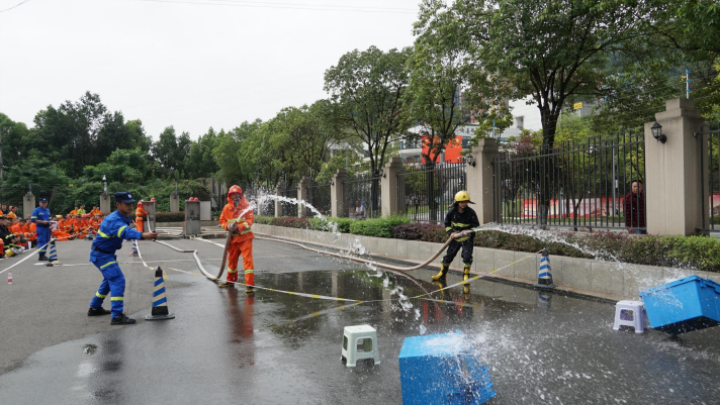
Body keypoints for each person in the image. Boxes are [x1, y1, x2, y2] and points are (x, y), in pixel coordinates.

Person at [88, 192, 158, 324]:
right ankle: (117, 316)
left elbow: (127, 229)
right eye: (126, 204)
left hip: (104, 254)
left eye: (131, 203)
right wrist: (144, 235)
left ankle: (94, 307)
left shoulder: (121, 217)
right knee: (117, 279)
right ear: (118, 204)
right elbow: (125, 232)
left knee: (109, 280)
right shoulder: (114, 220)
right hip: (102, 255)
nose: (130, 206)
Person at [432, 191, 480, 282]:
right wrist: (451, 233)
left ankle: (466, 275)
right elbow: (447, 224)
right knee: (449, 255)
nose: (464, 204)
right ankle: (442, 274)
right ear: (457, 202)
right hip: (455, 238)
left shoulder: (471, 212)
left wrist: (469, 231)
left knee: (467, 256)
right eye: (462, 202)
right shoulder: (451, 212)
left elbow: (476, 226)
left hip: (467, 239)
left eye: (465, 201)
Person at [218, 185, 256, 293]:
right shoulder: (226, 208)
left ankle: (250, 284)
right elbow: (222, 220)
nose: (235, 197)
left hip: (245, 238)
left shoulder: (246, 206)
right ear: (229, 196)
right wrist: (227, 226)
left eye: (237, 194)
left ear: (240, 195)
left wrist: (239, 227)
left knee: (247, 261)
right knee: (232, 260)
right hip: (233, 240)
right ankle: (230, 280)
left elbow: (250, 220)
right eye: (233, 195)